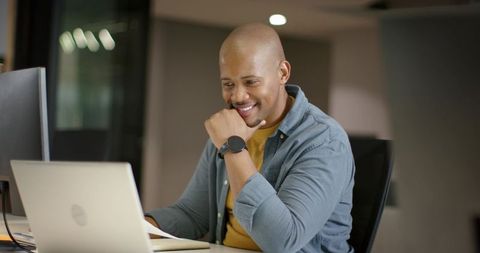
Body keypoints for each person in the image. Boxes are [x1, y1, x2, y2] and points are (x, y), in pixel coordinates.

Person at [145, 23, 355, 253]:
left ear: (283, 73)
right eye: (228, 84)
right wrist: (139, 226)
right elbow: (193, 214)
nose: (237, 96)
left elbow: (282, 241)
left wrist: (233, 148)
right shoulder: (230, 131)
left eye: (251, 82)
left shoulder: (323, 141)